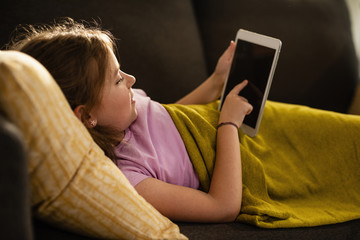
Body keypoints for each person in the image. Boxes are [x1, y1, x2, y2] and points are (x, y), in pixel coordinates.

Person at [7, 18, 253, 222]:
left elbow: (169, 121)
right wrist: (228, 124)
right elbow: (222, 207)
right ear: (86, 116)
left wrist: (216, 81)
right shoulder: (129, 178)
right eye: (117, 79)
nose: (131, 79)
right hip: (241, 140)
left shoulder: (124, 112)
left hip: (238, 116)